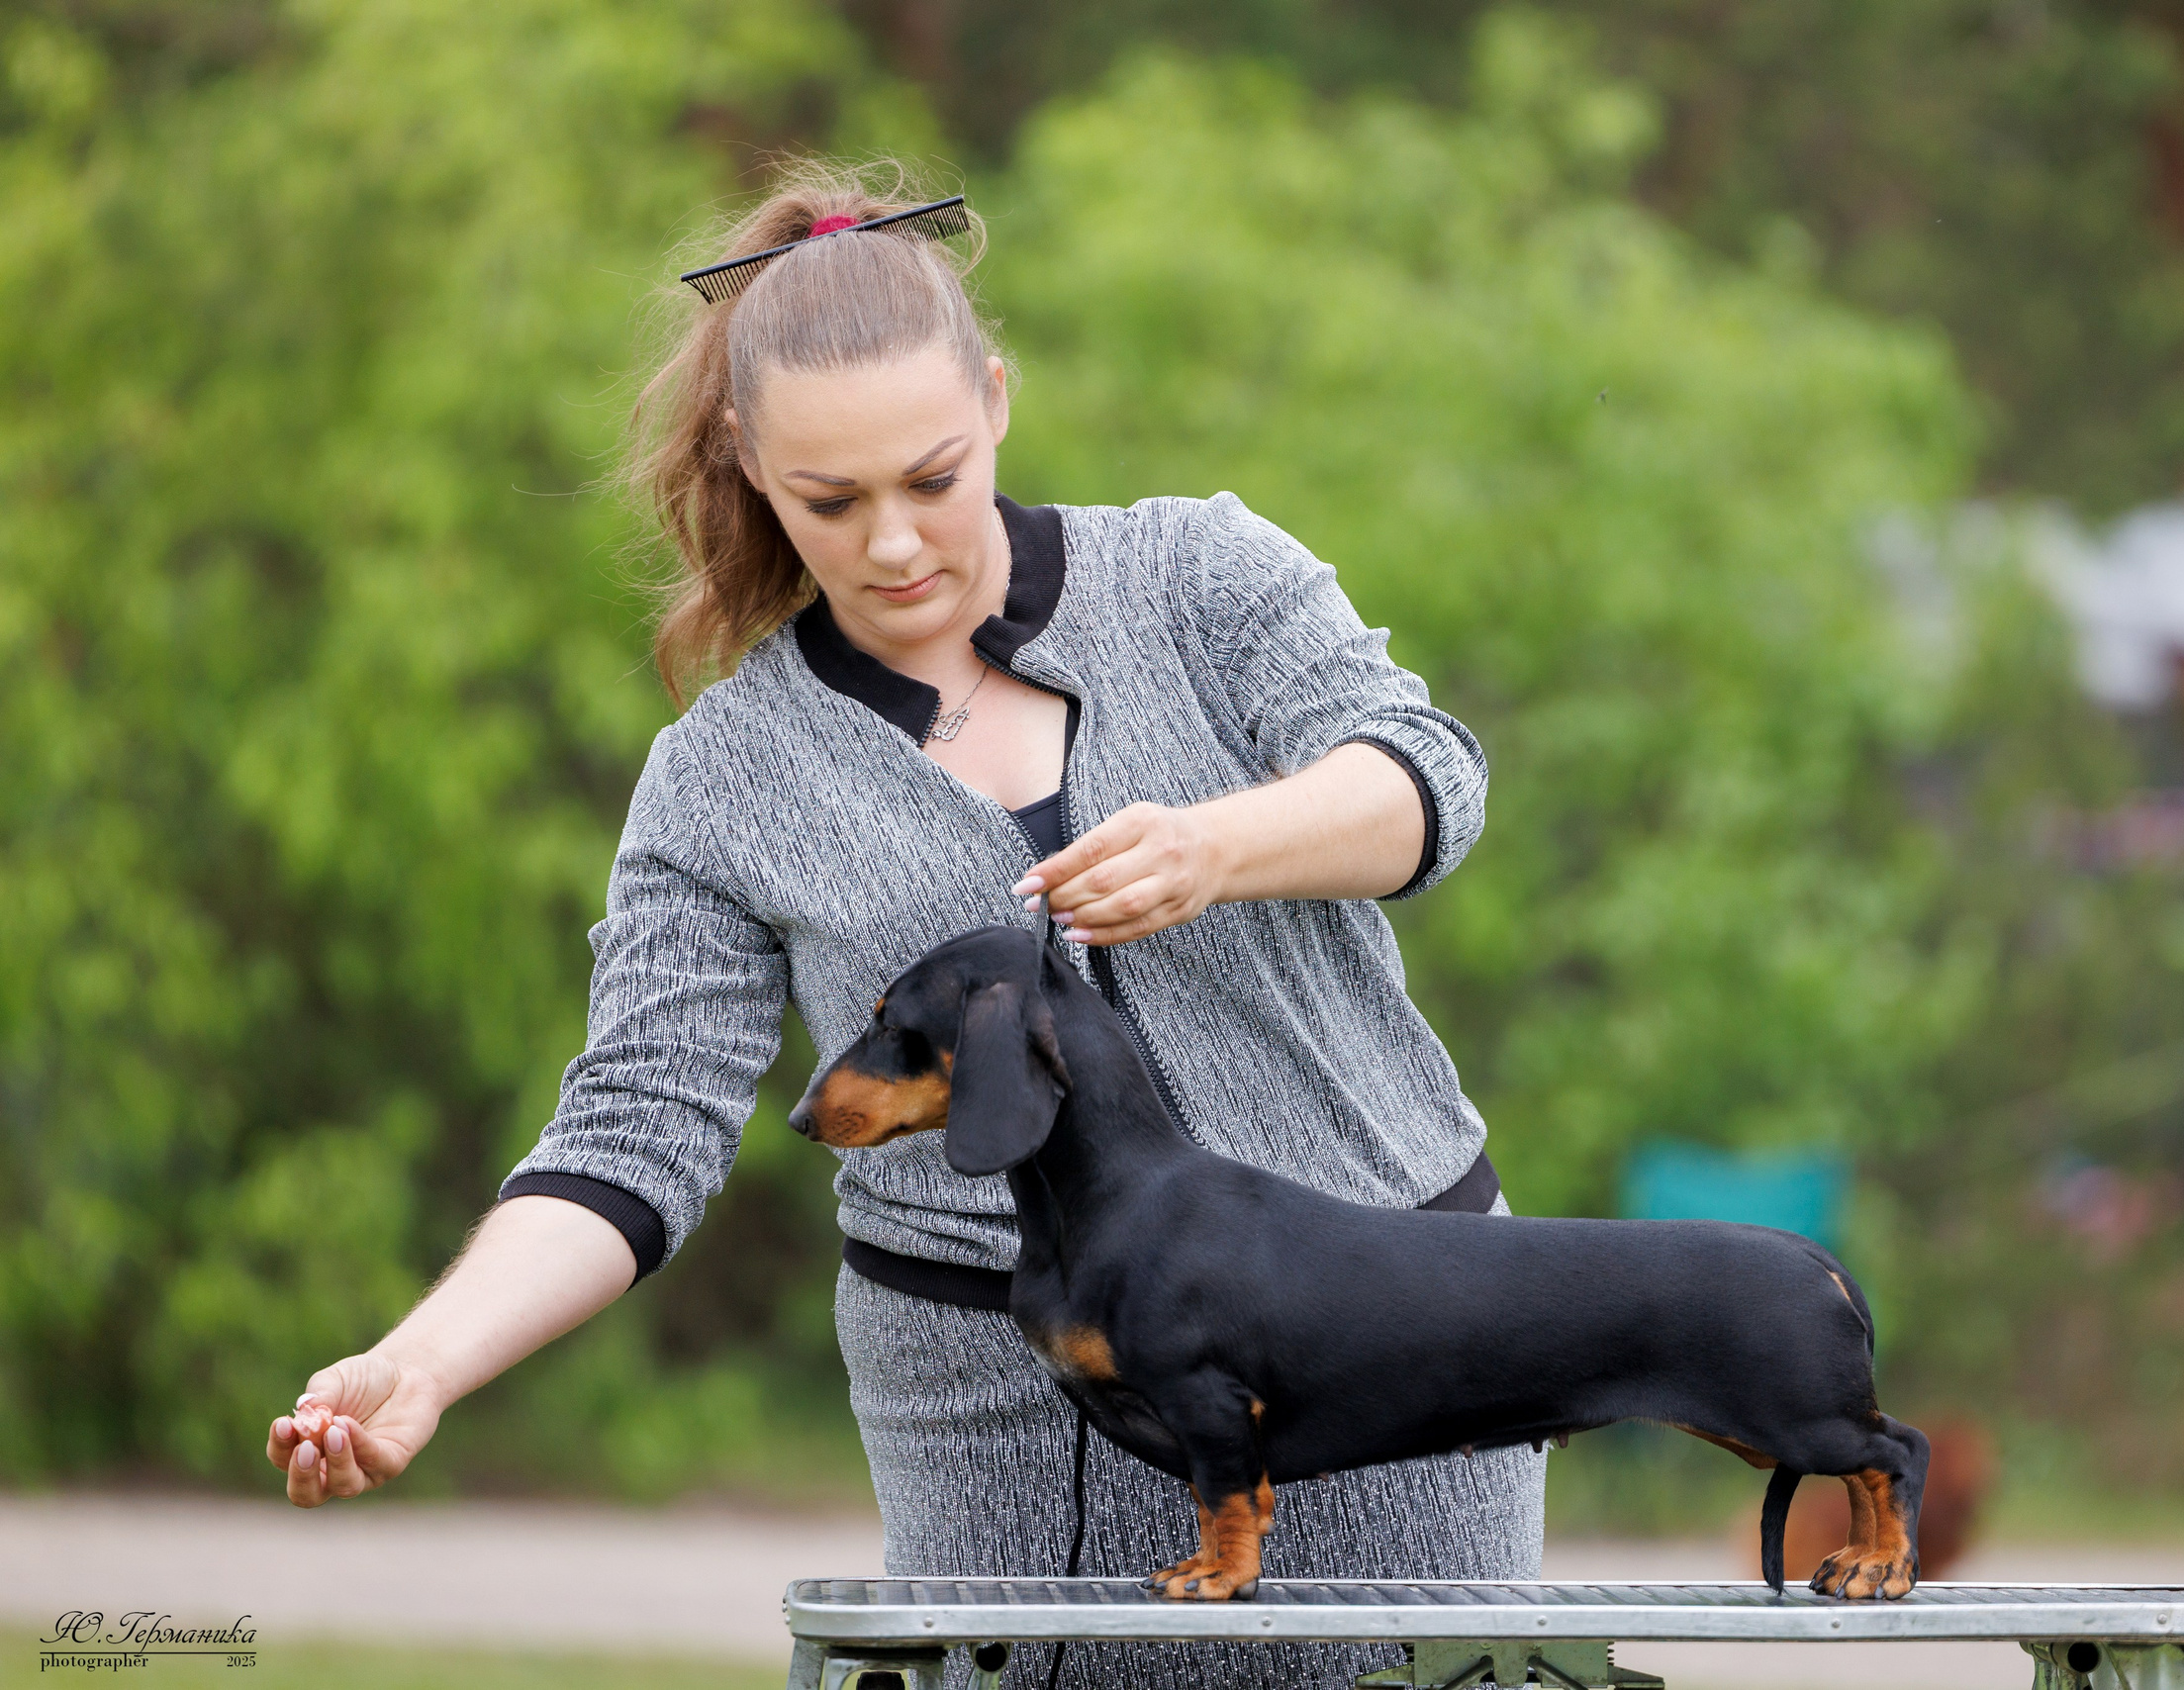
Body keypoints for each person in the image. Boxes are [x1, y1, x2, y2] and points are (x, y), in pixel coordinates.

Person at [261, 162, 1541, 1688]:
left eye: (933, 478)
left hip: (1395, 1350)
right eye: (830, 500)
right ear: (747, 460)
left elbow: (1426, 783)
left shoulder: (1205, 571)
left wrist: (1222, 845)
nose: (891, 545)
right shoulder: (719, 778)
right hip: (1004, 1426)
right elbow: (633, 1135)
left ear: (996, 400)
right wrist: (422, 1360)